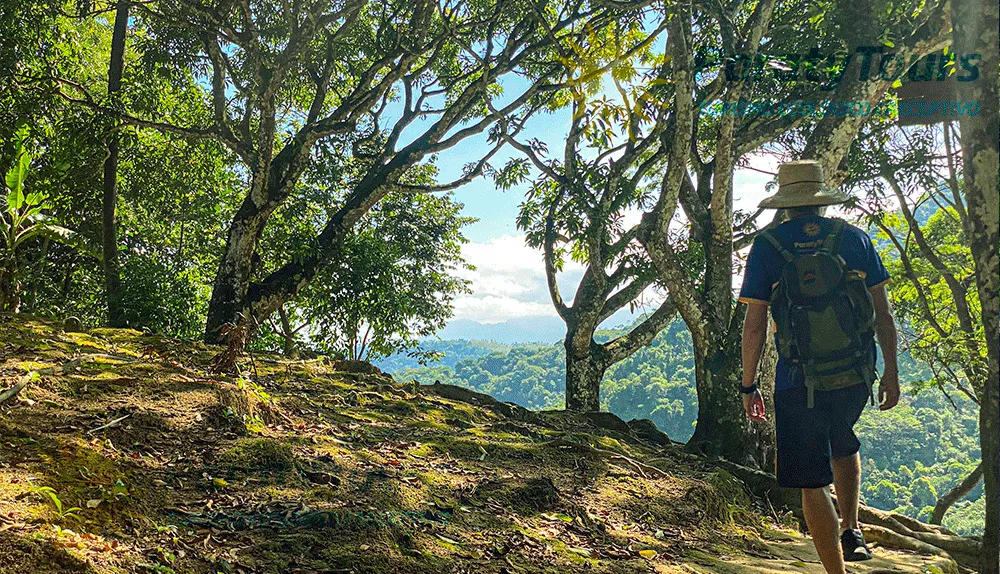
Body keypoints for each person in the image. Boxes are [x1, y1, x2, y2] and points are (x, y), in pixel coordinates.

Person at [738, 160, 901, 574]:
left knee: (812, 480)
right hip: (854, 372)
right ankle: (852, 528)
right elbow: (883, 314)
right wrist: (891, 372)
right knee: (842, 441)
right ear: (823, 202)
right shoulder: (855, 240)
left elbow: (755, 324)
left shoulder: (768, 247)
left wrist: (748, 384)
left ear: (786, 204)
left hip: (796, 378)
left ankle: (835, 571)